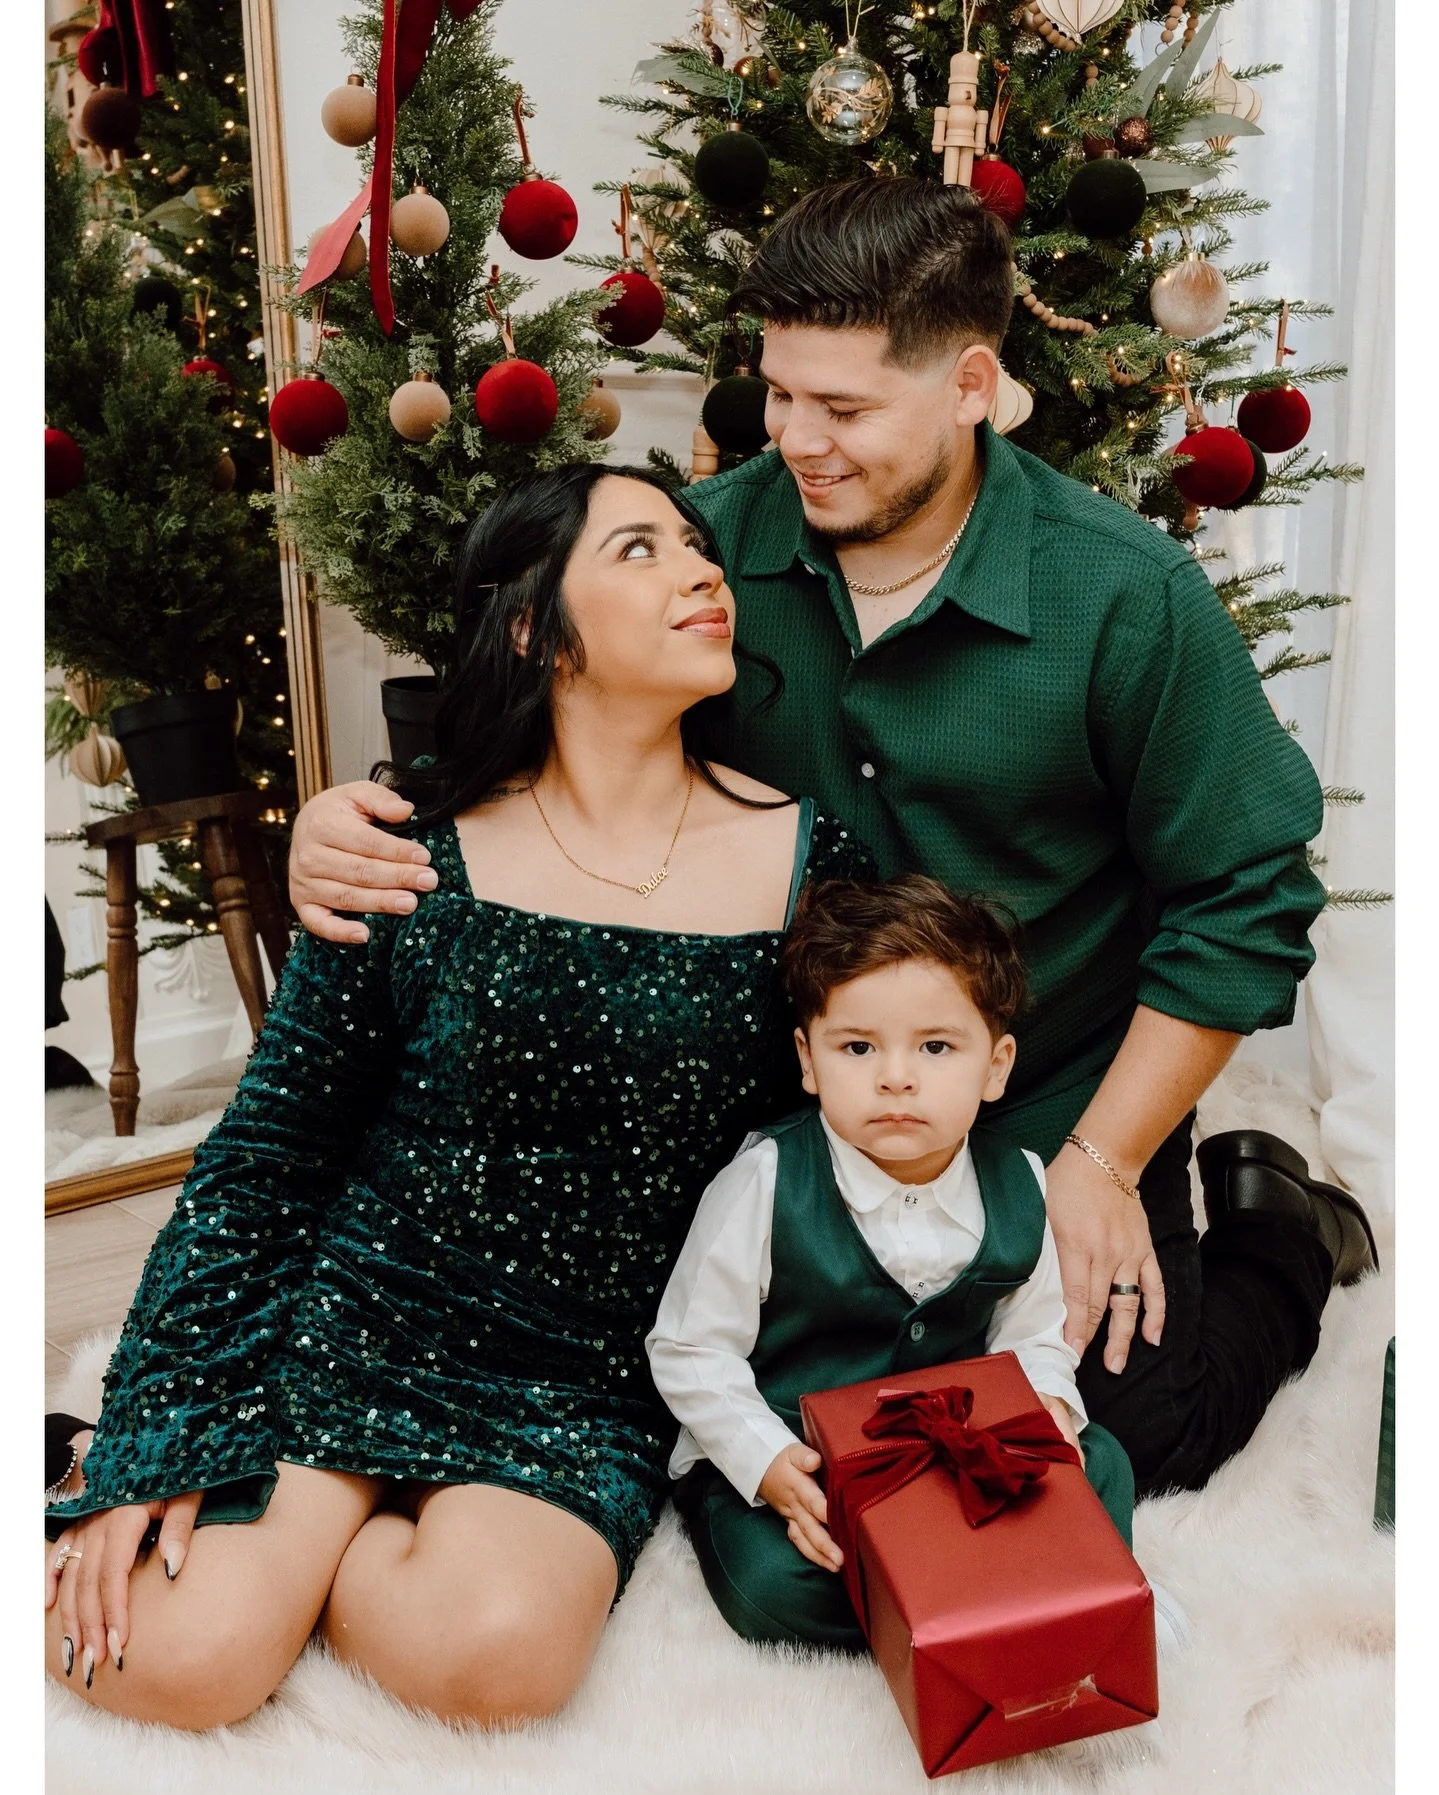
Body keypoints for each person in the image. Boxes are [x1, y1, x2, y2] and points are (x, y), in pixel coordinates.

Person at [286, 178, 1376, 1504]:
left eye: (846, 408)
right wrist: (348, 820)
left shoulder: (1125, 595)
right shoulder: (708, 554)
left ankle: (1281, 1225)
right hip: (777, 1112)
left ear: (973, 382)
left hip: (1044, 1109)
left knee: (1120, 1446)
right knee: (728, 1417)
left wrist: (1102, 1161)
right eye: (780, 392)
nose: (797, 438)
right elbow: (548, 729)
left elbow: (1248, 897)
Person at [43, 464, 872, 1729]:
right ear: (536, 625)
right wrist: (159, 1419)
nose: (705, 572)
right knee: (165, 1657)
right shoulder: (403, 851)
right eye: (642, 550)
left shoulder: (815, 860)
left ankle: (293, 1553)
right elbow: (269, 1151)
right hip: (352, 1315)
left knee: (494, 1664)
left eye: (701, 548)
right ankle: (190, 1502)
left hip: (578, 1371)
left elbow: (846, 1127)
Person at [645, 874, 1133, 1651]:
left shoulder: (1021, 1186)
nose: (896, 1076)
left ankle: (971, 1580)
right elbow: (690, 1347)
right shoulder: (765, 1184)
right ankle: (969, 1592)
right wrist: (768, 1462)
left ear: (997, 1065)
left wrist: (1049, 1418)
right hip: (799, 1459)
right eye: (858, 1046)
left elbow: (1034, 1335)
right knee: (774, 1583)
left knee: (1101, 1465)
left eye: (936, 1047)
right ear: (808, 1059)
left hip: (938, 1459)